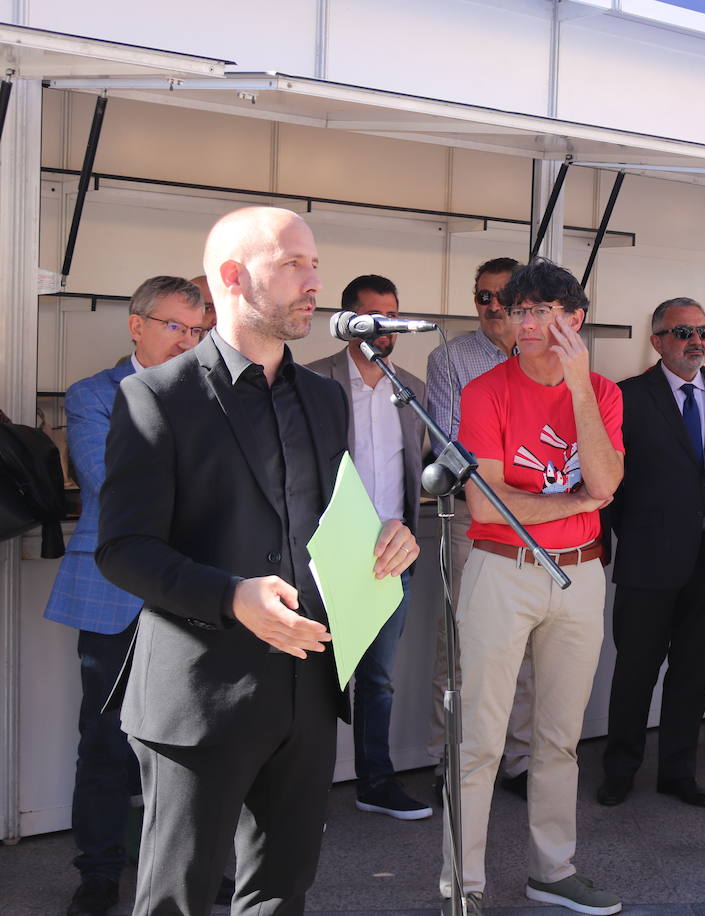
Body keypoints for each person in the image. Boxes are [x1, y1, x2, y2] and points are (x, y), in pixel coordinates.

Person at [97, 207, 418, 914]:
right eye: (294, 264)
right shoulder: (156, 396)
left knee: (281, 894)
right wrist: (231, 597)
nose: (315, 282)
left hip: (305, 690)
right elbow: (123, 550)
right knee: (176, 899)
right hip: (198, 699)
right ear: (235, 277)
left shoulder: (324, 399)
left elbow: (328, 522)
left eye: (314, 265)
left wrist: (385, 537)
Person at [450, 258, 624, 916]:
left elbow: (605, 484)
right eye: (518, 310)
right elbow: (487, 508)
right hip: (501, 568)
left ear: (573, 320)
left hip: (581, 573)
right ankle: (462, 884)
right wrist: (576, 498)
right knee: (481, 740)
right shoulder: (485, 391)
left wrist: (578, 388)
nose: (523, 321)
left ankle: (553, 871)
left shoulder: (603, 393)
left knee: (559, 739)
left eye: (538, 310)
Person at [43, 275, 204, 916]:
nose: (186, 341)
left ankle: (189, 865)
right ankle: (99, 873)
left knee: (191, 741)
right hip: (115, 590)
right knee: (106, 740)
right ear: (136, 325)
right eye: (173, 326)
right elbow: (111, 485)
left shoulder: (216, 398)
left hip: (195, 590)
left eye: (196, 331)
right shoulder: (92, 396)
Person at [599, 298, 705, 808]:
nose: (695, 340)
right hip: (647, 560)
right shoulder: (626, 397)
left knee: (694, 671)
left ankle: (679, 771)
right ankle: (620, 769)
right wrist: (603, 546)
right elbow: (608, 480)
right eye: (682, 332)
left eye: (702, 331)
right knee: (635, 670)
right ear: (656, 340)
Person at [307, 274, 431, 821]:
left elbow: (412, 471)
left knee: (378, 678)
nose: (387, 332)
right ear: (349, 318)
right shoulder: (312, 381)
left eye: (394, 320)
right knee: (314, 677)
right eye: (376, 319)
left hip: (392, 554)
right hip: (325, 554)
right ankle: (301, 787)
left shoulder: (411, 388)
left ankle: (374, 782)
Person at [425, 257, 536, 801]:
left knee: (530, 644)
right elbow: (451, 445)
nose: (493, 307)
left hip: (542, 520)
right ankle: (452, 760)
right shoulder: (451, 358)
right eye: (483, 297)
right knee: (463, 639)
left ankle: (517, 760)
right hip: (476, 513)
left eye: (503, 297)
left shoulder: (554, 352)